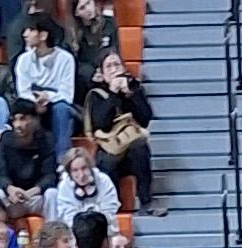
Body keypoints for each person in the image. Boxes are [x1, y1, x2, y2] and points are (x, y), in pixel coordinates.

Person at [84, 46, 157, 213]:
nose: (114, 69)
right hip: (110, 148)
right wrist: (113, 93)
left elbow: (145, 118)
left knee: (140, 147)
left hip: (130, 147)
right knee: (107, 161)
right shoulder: (96, 94)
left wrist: (131, 94)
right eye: (108, 66)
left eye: (117, 65)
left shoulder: (134, 88)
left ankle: (146, 201)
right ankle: (113, 207)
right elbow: (101, 124)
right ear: (102, 73)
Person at [11, 12, 74, 159]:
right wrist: (36, 103)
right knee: (23, 112)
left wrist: (47, 98)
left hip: (57, 106)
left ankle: (62, 160)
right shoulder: (23, 60)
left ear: (43, 35)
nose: (25, 34)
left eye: (31, 30)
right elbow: (23, 91)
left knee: (61, 109)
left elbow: (67, 95)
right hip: (31, 105)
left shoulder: (66, 59)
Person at [48, 141, 118, 228]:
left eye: (84, 168)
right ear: (69, 172)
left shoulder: (104, 180)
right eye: (75, 170)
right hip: (75, 231)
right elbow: (68, 217)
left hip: (104, 229)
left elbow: (110, 212)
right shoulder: (64, 186)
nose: (81, 175)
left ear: (90, 167)